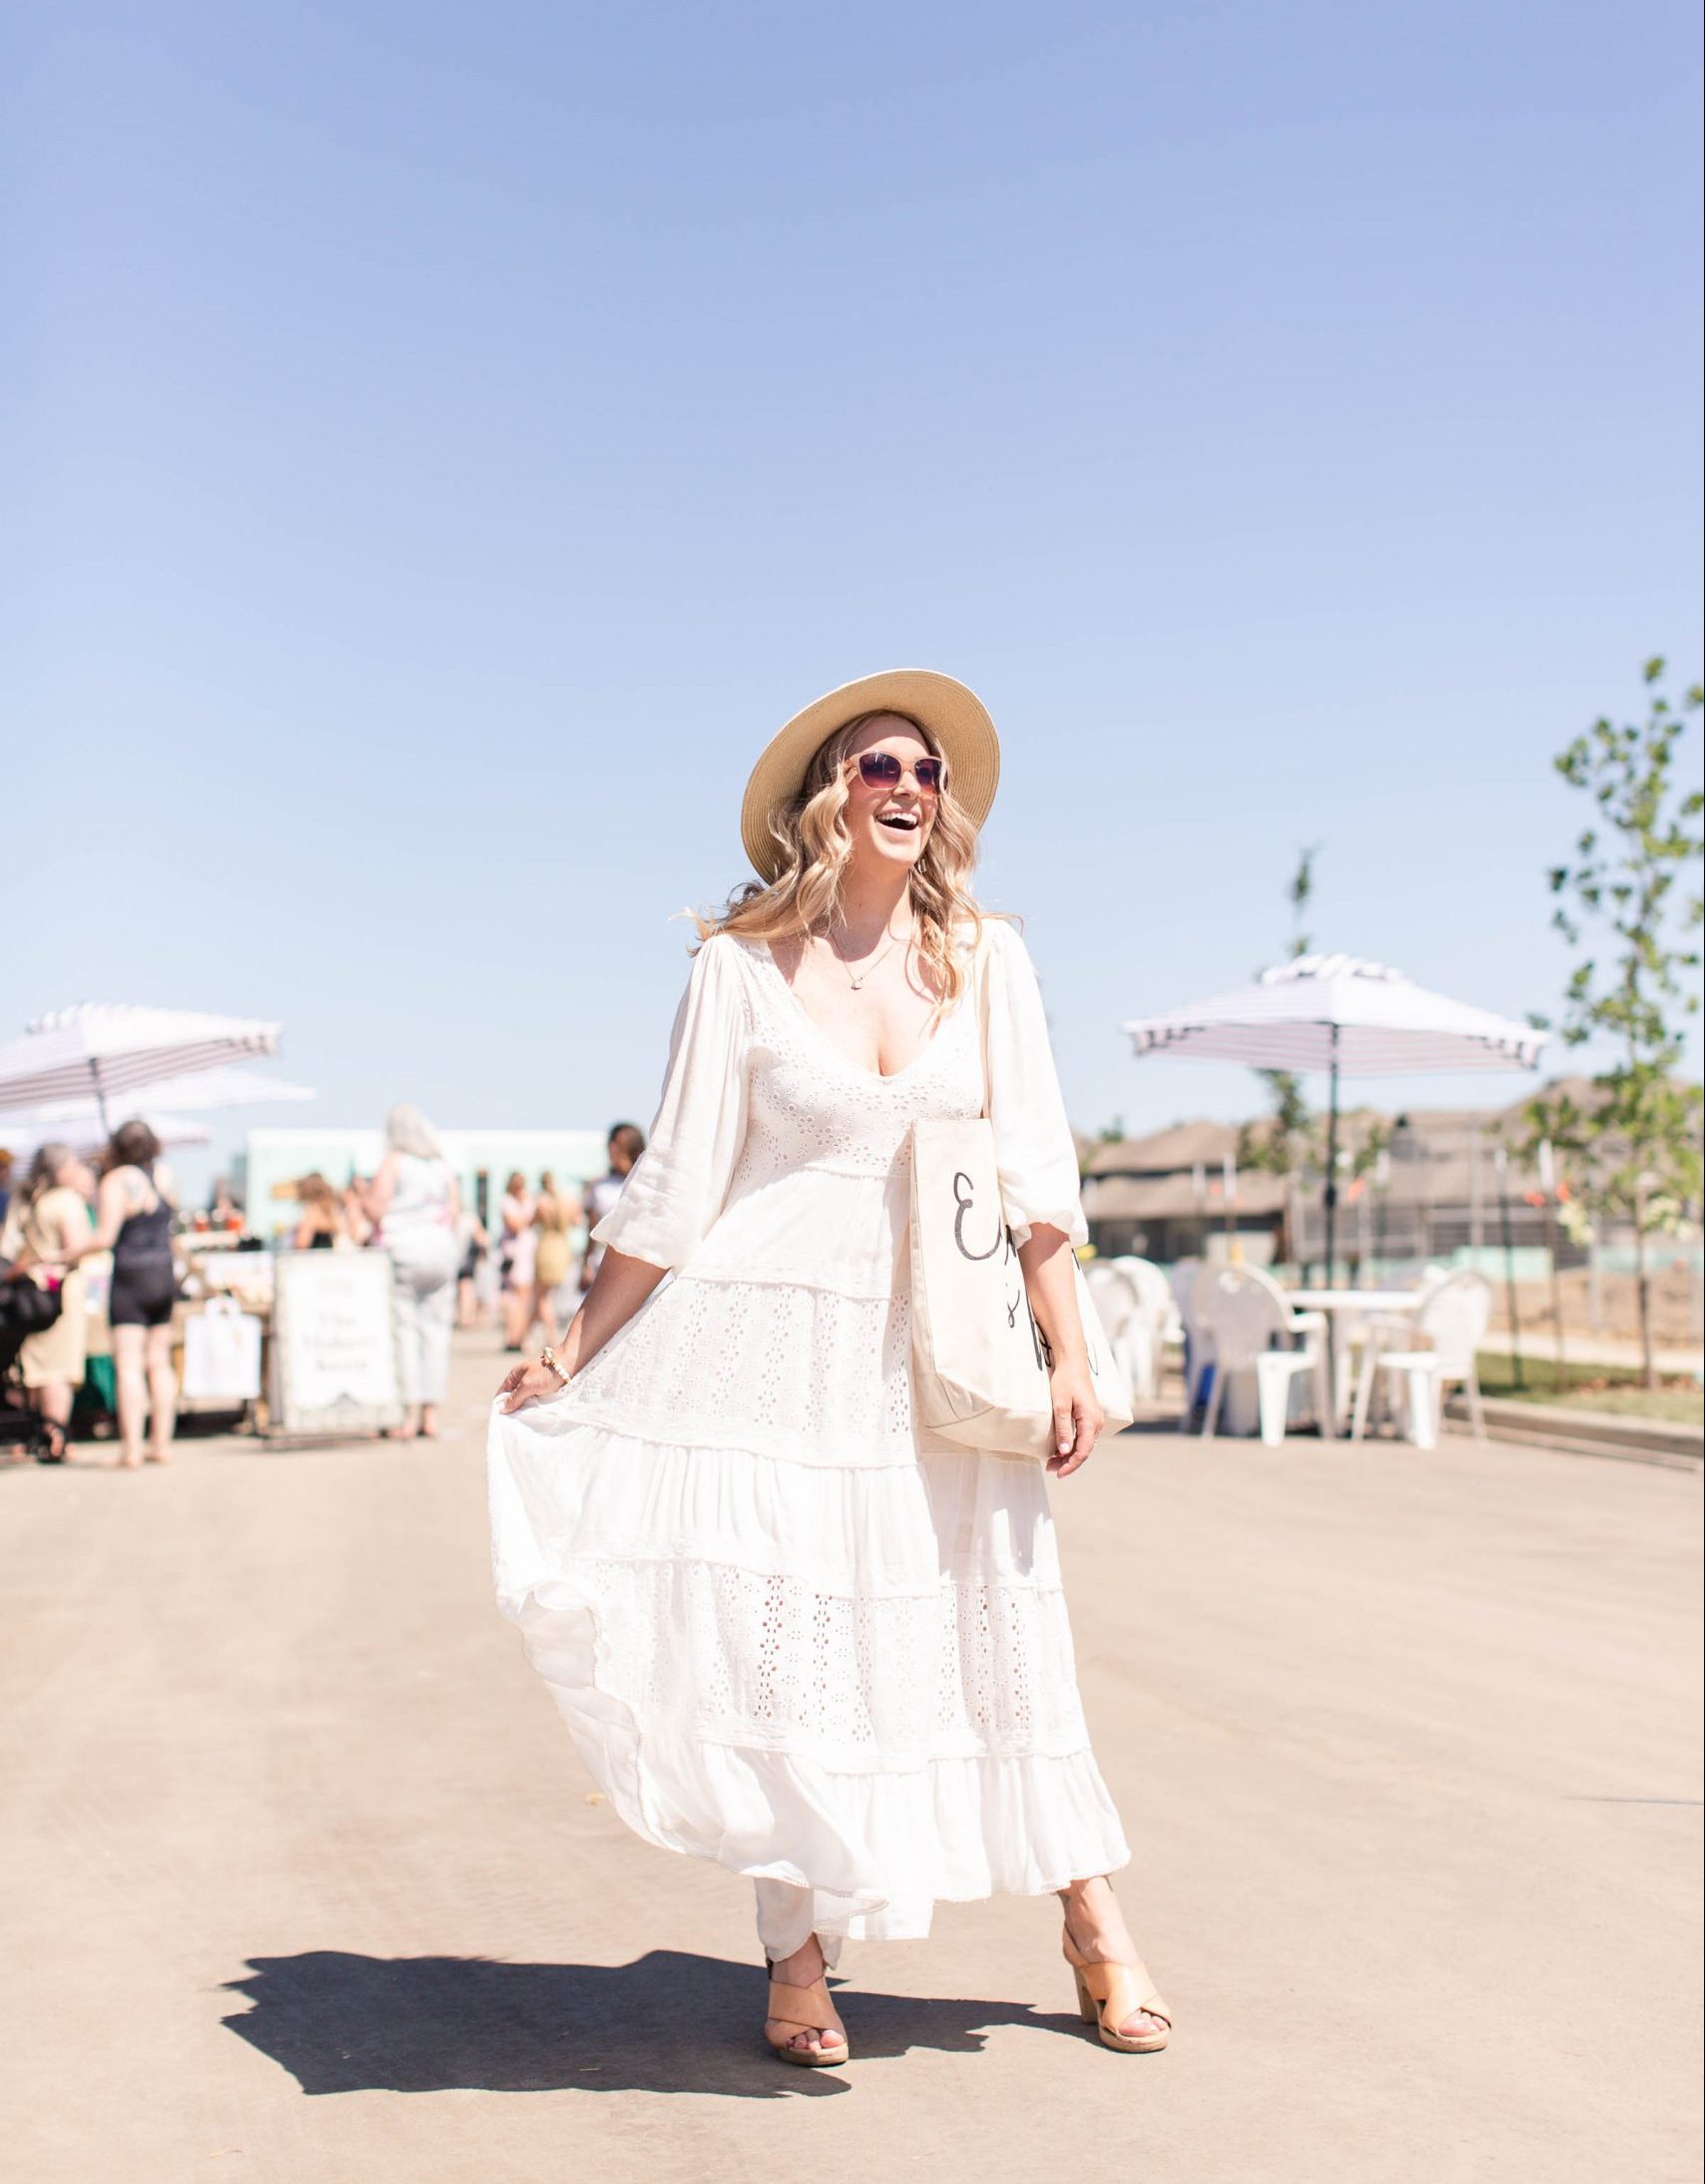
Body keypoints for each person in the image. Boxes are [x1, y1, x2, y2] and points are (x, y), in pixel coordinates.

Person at [490, 670, 1169, 2069]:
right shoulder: (736, 966)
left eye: (926, 770)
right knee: (792, 1651)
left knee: (997, 1623)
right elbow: (674, 1188)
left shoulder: (990, 959)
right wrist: (568, 1346)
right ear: (828, 798)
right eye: (877, 768)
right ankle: (797, 1956)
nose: (909, 787)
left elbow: (1037, 1179)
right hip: (767, 1352)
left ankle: (1092, 1916)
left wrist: (1073, 1355)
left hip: (943, 1347)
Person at [53, 1120, 182, 1467]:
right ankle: (162, 1443)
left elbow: (106, 1237)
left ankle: (132, 1449)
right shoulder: (164, 1175)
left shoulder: (115, 1181)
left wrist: (68, 1254)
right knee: (159, 1362)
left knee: (128, 1365)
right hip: (163, 1272)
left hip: (130, 1276)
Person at [362, 1106, 460, 1440]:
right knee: (435, 1330)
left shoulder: (394, 1162)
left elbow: (376, 1208)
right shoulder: (439, 1164)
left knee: (404, 1330)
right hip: (441, 1250)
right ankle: (430, 1414)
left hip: (404, 1249)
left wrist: (363, 1198)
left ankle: (405, 1414)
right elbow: (454, 1208)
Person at [0, 1142, 95, 1460]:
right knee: (59, 1369)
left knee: (36, 1368)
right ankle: (57, 1437)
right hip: (59, 1293)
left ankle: (37, 1434)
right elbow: (77, 1248)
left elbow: (7, 1249)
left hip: (27, 1297)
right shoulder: (65, 1201)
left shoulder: (26, 1200)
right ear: (63, 1168)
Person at [578, 1125, 645, 1292]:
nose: (612, 1148)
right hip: (603, 1264)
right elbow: (592, 1230)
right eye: (611, 1143)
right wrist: (585, 1264)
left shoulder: (645, 1183)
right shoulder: (598, 1186)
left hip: (640, 1265)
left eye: (618, 1144)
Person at [529, 1174, 574, 1344]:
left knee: (541, 1297)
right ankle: (523, 1337)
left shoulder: (542, 1202)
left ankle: (552, 1335)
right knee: (546, 1294)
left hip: (547, 1246)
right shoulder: (565, 1201)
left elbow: (529, 1223)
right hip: (562, 1247)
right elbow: (575, 1221)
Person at [497, 1172, 536, 1352]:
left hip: (526, 1252)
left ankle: (518, 1336)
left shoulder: (528, 1201)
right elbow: (516, 1225)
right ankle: (512, 1336)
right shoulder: (507, 1202)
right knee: (515, 1296)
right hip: (513, 1254)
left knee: (524, 1297)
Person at [291, 1172, 343, 1250]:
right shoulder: (332, 1208)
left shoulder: (311, 1211)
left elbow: (302, 1242)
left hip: (315, 1256)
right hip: (330, 1255)